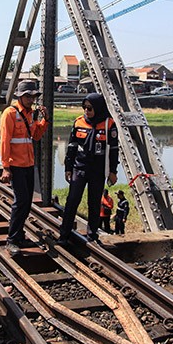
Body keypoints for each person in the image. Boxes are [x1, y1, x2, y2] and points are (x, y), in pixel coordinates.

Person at [58, 93, 118, 244]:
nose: (86, 110)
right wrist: (68, 168)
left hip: (97, 171)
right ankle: (64, 235)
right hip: (80, 168)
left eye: (90, 108)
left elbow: (114, 150)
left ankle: (92, 235)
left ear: (98, 108)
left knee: (94, 202)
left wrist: (113, 172)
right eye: (84, 107)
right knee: (72, 201)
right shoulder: (79, 123)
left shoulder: (108, 124)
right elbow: (71, 147)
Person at [0, 80, 49, 255]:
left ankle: (19, 235)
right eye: (28, 96)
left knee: (27, 203)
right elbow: (5, 141)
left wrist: (44, 121)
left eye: (33, 96)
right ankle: (11, 240)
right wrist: (5, 167)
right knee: (20, 202)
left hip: (28, 164)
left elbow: (34, 136)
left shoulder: (29, 114)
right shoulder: (10, 114)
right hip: (16, 165)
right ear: (20, 97)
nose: (31, 99)